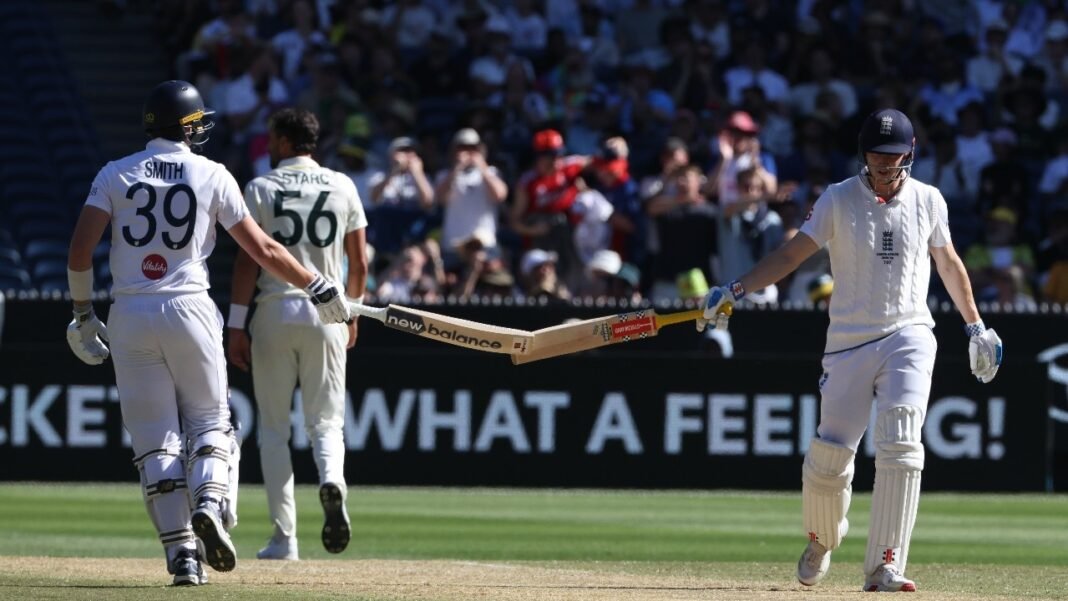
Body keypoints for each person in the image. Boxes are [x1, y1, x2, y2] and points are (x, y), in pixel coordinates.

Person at [698, 109, 1004, 592]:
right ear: (864, 155)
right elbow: (791, 254)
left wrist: (976, 327)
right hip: (847, 343)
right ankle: (821, 538)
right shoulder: (838, 198)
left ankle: (885, 565)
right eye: (876, 157)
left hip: (909, 335)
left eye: (894, 157)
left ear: (910, 154)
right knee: (830, 458)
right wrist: (735, 289)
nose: (884, 167)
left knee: (902, 442)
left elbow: (948, 262)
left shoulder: (929, 200)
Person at [65, 81, 350, 586]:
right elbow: (262, 250)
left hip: (130, 311)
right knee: (211, 425)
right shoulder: (213, 173)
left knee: (156, 443)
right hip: (190, 308)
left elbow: (79, 253)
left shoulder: (114, 173)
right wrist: (317, 284)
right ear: (188, 125)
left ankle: (183, 559)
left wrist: (84, 314)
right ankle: (213, 508)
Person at [227, 108, 369, 561]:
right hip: (328, 311)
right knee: (326, 423)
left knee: (272, 430)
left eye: (272, 138)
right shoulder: (342, 185)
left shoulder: (261, 187)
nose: (268, 146)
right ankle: (331, 480)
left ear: (286, 142)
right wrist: (352, 314)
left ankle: (285, 539)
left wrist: (235, 324)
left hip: (274, 310)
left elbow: (249, 260)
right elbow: (359, 262)